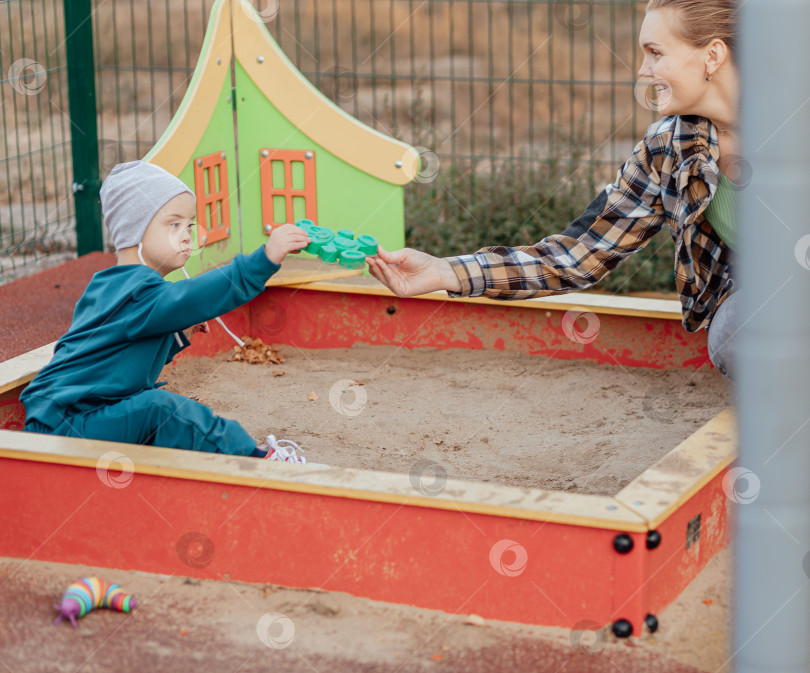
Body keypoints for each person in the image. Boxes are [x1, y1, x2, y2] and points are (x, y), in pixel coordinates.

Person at [367, 0, 740, 380]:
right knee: (731, 335)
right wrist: (446, 271)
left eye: (655, 53)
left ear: (712, 55)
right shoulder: (672, 144)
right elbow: (579, 254)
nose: (643, 71)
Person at [21, 160, 315, 463]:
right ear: (135, 231)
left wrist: (176, 334)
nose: (187, 235)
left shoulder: (113, 285)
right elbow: (201, 295)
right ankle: (256, 458)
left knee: (149, 408)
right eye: (173, 225)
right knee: (159, 409)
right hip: (67, 426)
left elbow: (118, 358)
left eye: (189, 225)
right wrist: (264, 259)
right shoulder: (136, 291)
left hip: (74, 416)